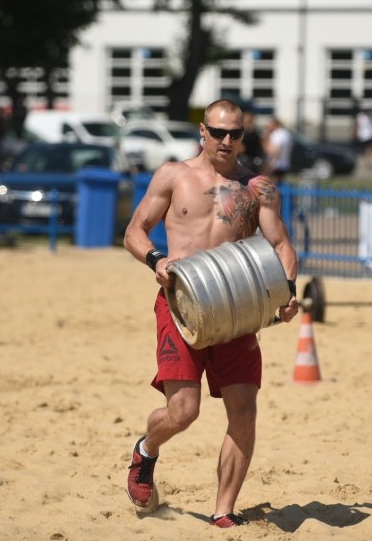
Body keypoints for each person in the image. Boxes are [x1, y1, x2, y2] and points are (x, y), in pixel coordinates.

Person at [123, 99, 300, 528]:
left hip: (238, 309)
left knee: (244, 411)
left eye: (234, 134)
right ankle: (146, 451)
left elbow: (281, 245)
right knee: (183, 411)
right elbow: (134, 232)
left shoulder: (260, 187)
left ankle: (223, 511)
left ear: (243, 136)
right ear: (202, 131)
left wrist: (289, 290)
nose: (225, 141)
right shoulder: (173, 175)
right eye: (218, 132)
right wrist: (156, 261)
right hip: (181, 305)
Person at [262, 116, 292, 182]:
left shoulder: (277, 134)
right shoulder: (286, 134)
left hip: (275, 165)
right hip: (284, 164)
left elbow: (275, 151)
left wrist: (270, 164)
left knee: (271, 186)